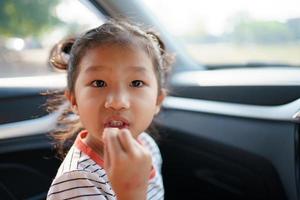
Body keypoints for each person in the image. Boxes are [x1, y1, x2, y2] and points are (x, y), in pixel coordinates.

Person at [46, 19, 174, 200]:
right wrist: (131, 194)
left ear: (157, 101)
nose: (117, 102)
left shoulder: (146, 145)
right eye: (99, 83)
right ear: (74, 100)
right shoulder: (78, 180)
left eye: (136, 83)